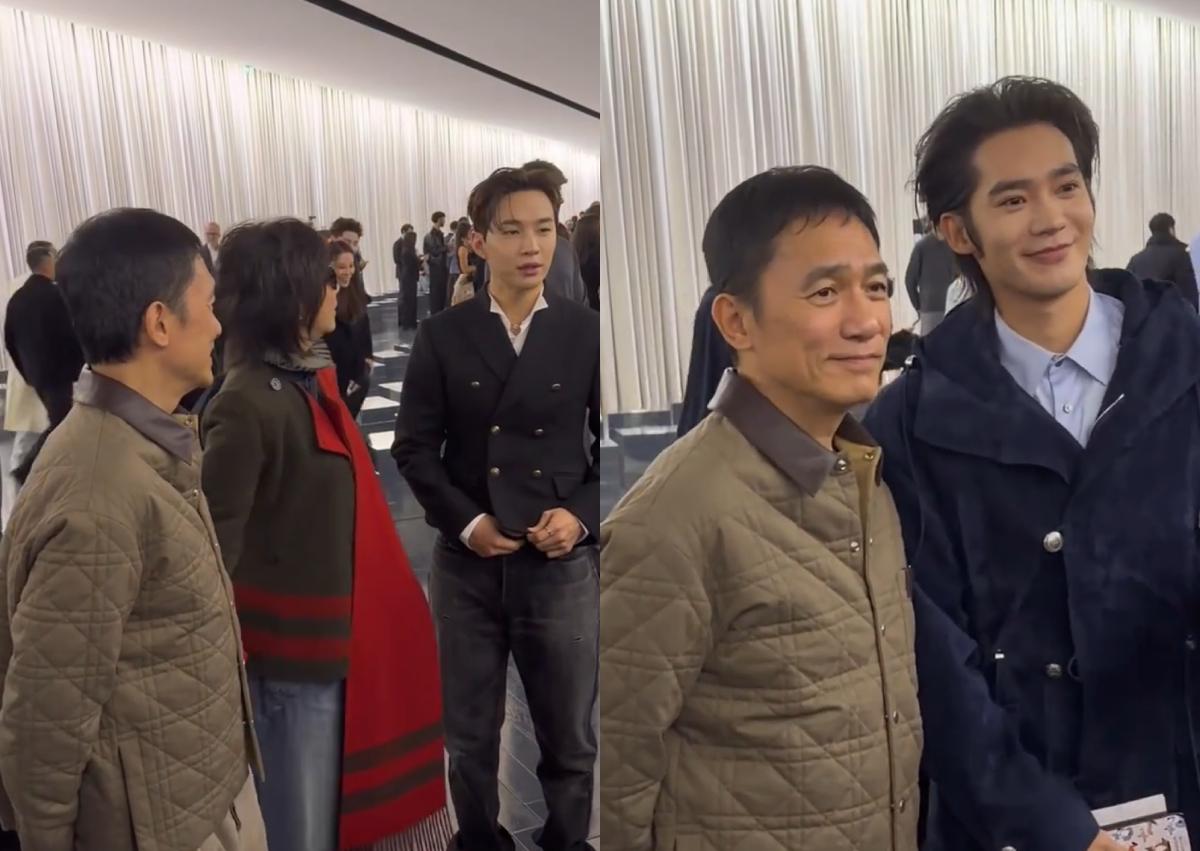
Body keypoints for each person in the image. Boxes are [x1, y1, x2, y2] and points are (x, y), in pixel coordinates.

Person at [864, 76, 1200, 851]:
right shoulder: (912, 421)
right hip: (1012, 817)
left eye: (1066, 186)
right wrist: (1053, 826)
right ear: (957, 231)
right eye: (1013, 199)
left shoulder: (1182, 363)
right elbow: (932, 659)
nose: (1051, 218)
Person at [599, 166, 921, 851]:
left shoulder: (864, 474)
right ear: (736, 321)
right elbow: (622, 774)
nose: (866, 321)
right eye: (825, 292)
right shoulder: (673, 518)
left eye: (876, 287)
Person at [0, 207, 265, 850]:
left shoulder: (139, 445)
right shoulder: (100, 492)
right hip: (151, 826)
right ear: (160, 322)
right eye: (208, 305)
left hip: (182, 795)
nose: (219, 325)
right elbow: (46, 718)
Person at [198, 219, 451, 851]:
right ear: (290, 296)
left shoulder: (306, 381)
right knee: (304, 827)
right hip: (293, 658)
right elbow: (215, 551)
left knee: (332, 820)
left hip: (338, 644)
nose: (340, 286)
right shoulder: (247, 400)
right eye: (326, 279)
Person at [393, 166, 601, 851]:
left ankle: (567, 841)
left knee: (569, 736)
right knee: (470, 735)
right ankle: (480, 842)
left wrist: (581, 514)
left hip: (558, 562)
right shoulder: (444, 334)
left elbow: (612, 444)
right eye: (511, 231)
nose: (531, 246)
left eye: (544, 229)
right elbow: (414, 447)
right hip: (468, 564)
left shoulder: (585, 331)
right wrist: (467, 521)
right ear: (479, 242)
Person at [481, 160, 589, 304]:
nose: (531, 248)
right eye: (512, 232)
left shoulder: (565, 248)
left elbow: (580, 300)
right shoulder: (499, 251)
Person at [324, 240, 374, 417]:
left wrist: (366, 366)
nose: (348, 272)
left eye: (351, 266)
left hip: (356, 376)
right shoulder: (322, 300)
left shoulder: (357, 295)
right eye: (341, 267)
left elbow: (365, 334)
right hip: (331, 375)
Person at [1127, 212, 1198, 310]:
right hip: (1174, 316)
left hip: (1145, 316)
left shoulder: (1136, 260)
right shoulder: (1183, 254)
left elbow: (1129, 292)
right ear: (1171, 229)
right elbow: (1190, 291)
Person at [903, 219, 959, 334]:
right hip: (933, 310)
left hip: (950, 308)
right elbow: (909, 281)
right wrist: (919, 306)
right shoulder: (922, 247)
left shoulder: (953, 246)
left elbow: (959, 277)